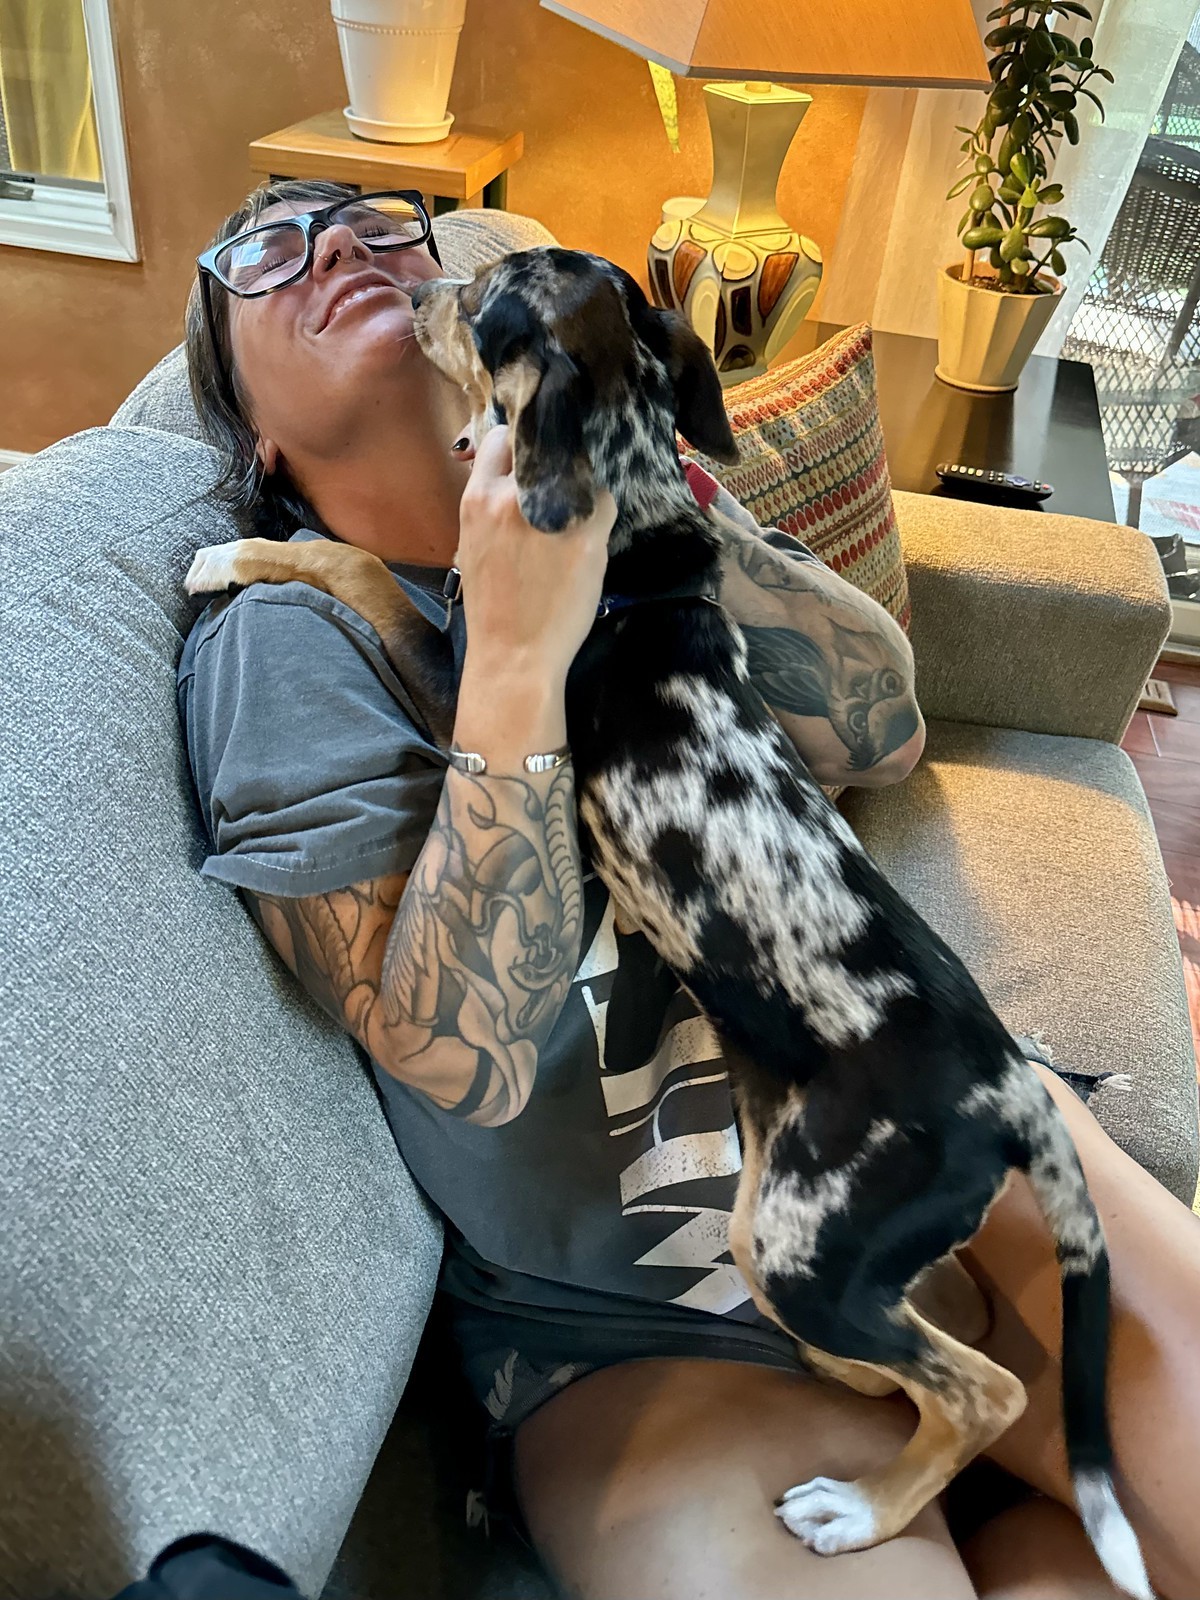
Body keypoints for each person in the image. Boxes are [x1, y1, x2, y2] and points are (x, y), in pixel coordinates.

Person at [179, 179, 1200, 1600]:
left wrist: (640, 473)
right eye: (268, 251)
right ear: (256, 431)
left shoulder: (637, 499)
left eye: (377, 221)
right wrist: (516, 654)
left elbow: (879, 734)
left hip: (928, 1102)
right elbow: (460, 1061)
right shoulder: (283, 635)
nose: (339, 240)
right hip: (651, 1319)